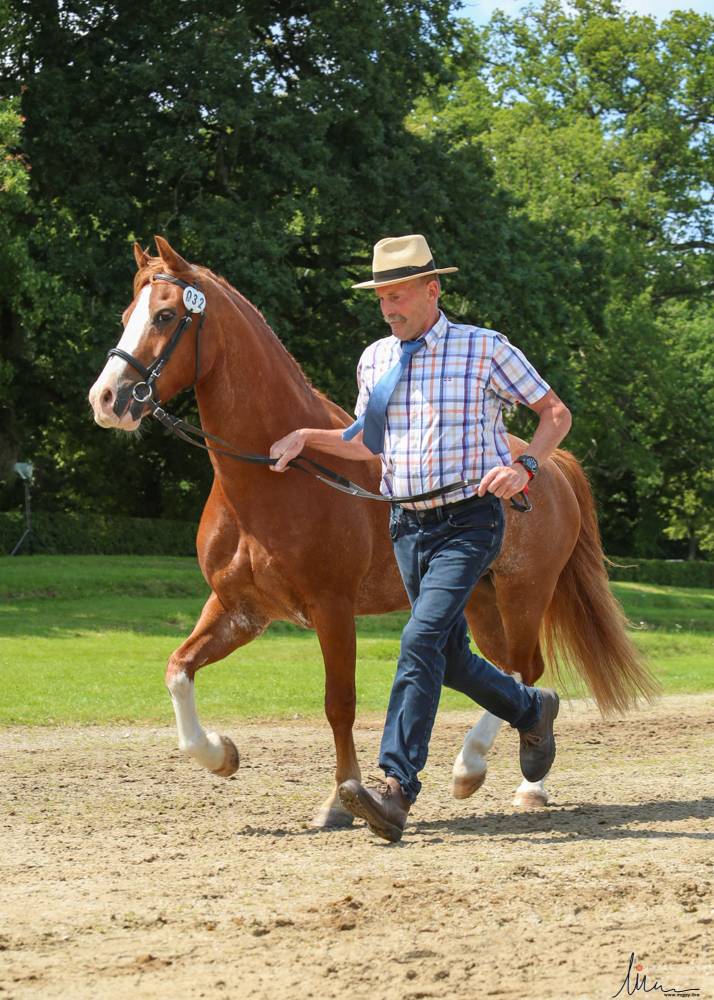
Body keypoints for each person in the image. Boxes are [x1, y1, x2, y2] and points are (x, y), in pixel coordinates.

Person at [269, 234, 572, 842]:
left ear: (432, 290)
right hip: (407, 523)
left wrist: (526, 466)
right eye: (382, 297)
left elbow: (555, 414)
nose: (389, 308)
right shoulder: (375, 358)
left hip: (471, 519)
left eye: (399, 295)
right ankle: (529, 708)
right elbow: (364, 443)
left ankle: (396, 788)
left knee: (420, 638)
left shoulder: (483, 349)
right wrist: (306, 437)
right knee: (449, 655)